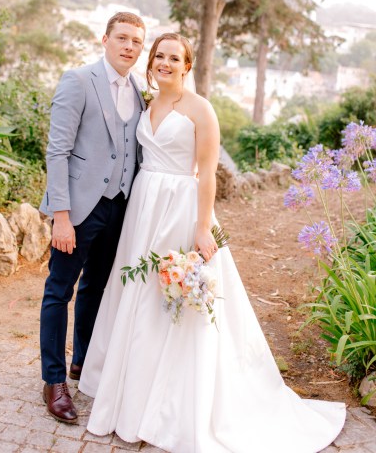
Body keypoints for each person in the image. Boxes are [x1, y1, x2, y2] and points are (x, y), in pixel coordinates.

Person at [78, 33, 346, 452]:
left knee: (176, 300)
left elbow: (208, 174)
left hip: (182, 209)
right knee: (139, 293)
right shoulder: (148, 105)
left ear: (187, 66)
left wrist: (203, 228)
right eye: (160, 56)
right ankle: (128, 390)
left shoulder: (201, 110)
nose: (165, 63)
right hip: (144, 210)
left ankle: (172, 405)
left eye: (174, 58)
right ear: (153, 63)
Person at [39, 11, 146, 424]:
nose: (129, 47)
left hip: (119, 206)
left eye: (136, 41)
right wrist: (60, 216)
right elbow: (58, 151)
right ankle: (53, 380)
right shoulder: (79, 80)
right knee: (58, 290)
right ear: (105, 39)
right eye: (122, 38)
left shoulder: (139, 89)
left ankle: (82, 362)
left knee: (97, 288)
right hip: (80, 207)